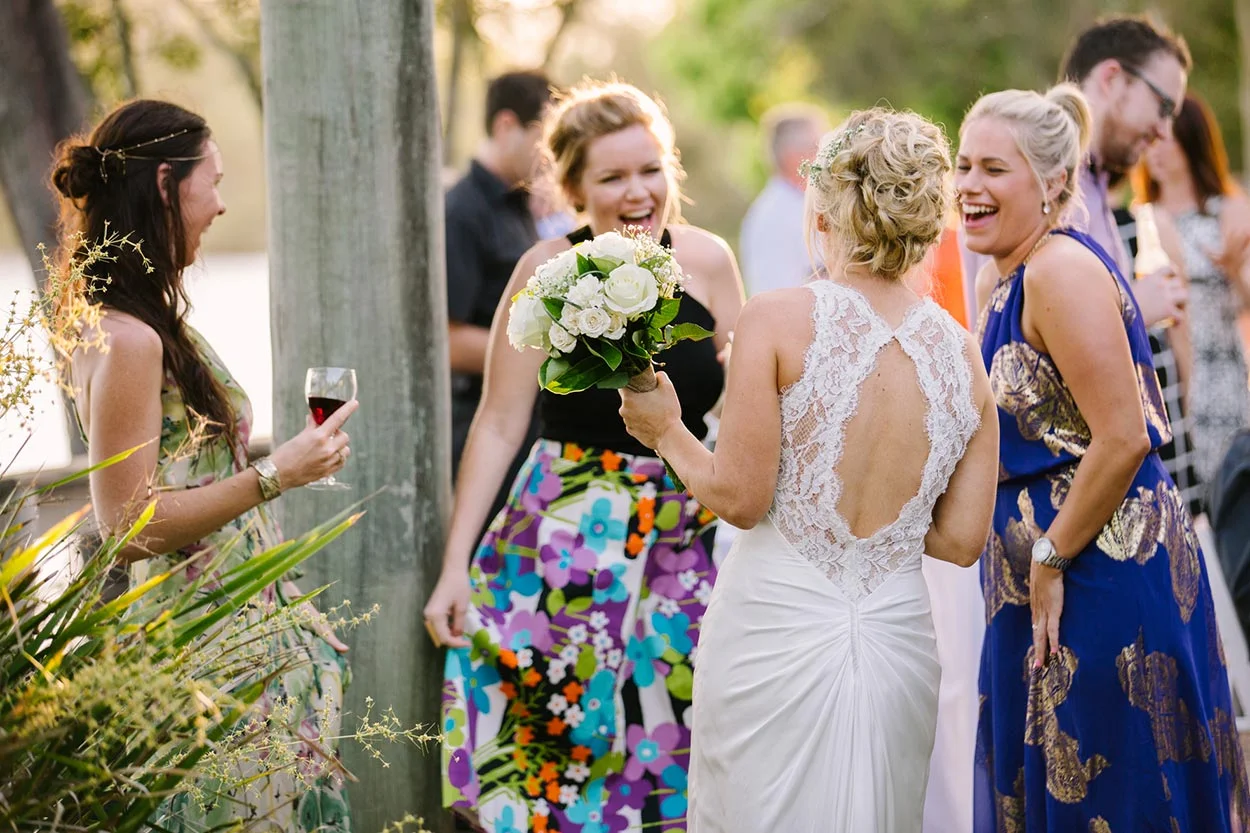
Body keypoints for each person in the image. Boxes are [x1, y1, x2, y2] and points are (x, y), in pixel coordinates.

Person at [620, 108, 999, 831]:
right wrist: (882, 529)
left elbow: (739, 497)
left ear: (825, 205)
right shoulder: (963, 355)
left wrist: (665, 429)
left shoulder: (774, 318)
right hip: (897, 641)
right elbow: (960, 541)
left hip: (773, 630)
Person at [424, 80, 744, 833]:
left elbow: (745, 404)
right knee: (556, 755)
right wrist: (455, 563)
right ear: (573, 189)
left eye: (650, 169)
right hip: (563, 538)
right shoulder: (545, 269)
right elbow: (499, 423)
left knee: (673, 742)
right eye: (612, 176)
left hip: (685, 535)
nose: (637, 192)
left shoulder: (709, 260)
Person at [52, 100, 357, 830]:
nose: (221, 205)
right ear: (165, 185)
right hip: (209, 662)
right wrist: (278, 472)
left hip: (241, 636)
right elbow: (127, 523)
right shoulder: (130, 340)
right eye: (212, 182)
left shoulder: (141, 322)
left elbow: (191, 487)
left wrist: (286, 600)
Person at [958, 84, 1249, 831]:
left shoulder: (1058, 271)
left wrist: (1050, 555)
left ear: (1053, 181)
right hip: (1040, 581)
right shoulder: (999, 277)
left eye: (994, 168)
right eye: (964, 166)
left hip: (1102, 568)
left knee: (1118, 792)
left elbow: (1123, 436)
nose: (968, 186)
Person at [1135, 93, 1250, 488]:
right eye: (1150, 139)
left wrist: (1233, 270)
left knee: (1229, 493)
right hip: (1163, 377)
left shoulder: (1227, 211)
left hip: (1220, 377)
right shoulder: (1139, 220)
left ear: (1192, 142)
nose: (1156, 150)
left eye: (1167, 138)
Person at [446, 71, 553, 480]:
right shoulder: (461, 212)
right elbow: (449, 343)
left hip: (530, 426)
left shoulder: (521, 206)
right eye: (543, 137)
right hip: (481, 429)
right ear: (506, 126)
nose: (551, 154)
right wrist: (559, 349)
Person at [738, 102, 828, 295]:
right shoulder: (772, 217)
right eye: (819, 147)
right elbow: (774, 291)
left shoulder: (805, 203)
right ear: (793, 157)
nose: (827, 158)